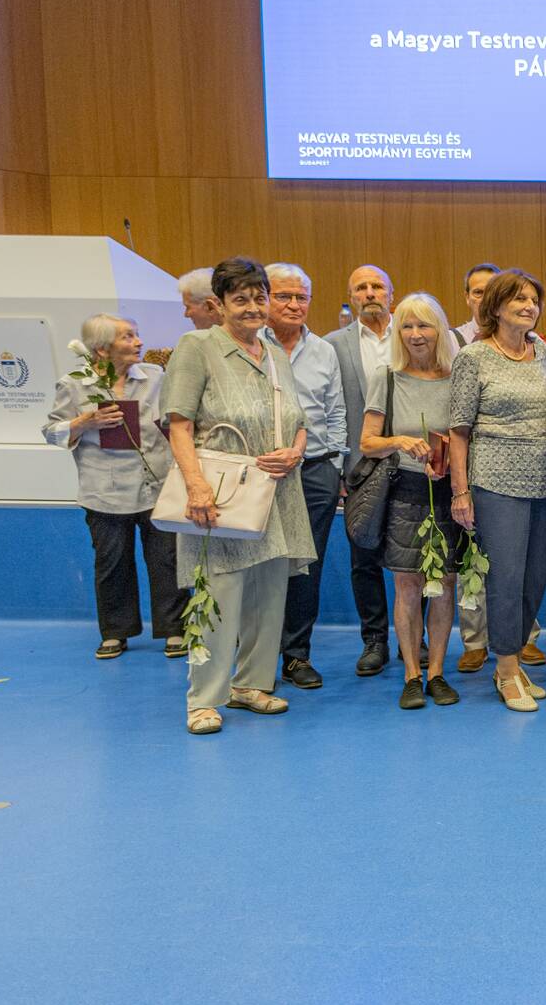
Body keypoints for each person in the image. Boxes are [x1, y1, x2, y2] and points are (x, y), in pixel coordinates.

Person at [162, 257, 317, 735]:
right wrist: (196, 484)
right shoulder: (198, 347)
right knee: (219, 593)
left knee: (269, 594)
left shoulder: (274, 354)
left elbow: (299, 423)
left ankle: (251, 684)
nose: (253, 307)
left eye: (259, 297)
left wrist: (294, 451)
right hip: (221, 491)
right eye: (241, 299)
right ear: (218, 304)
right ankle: (203, 700)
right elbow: (179, 423)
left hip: (276, 492)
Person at [449, 269, 546, 712]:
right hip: (495, 481)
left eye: (534, 300)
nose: (529, 307)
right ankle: (508, 668)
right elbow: (459, 430)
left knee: (534, 579)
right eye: (519, 300)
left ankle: (510, 660)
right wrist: (461, 491)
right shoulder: (473, 357)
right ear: (495, 307)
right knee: (506, 579)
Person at [44, 313, 183, 659]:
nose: (138, 342)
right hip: (103, 491)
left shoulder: (155, 377)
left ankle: (175, 629)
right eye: (129, 337)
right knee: (112, 562)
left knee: (167, 560)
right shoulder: (75, 384)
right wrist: (84, 421)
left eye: (137, 335)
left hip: (157, 486)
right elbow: (51, 433)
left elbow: (174, 422)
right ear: (102, 348)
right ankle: (116, 633)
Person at [360, 293, 465, 709]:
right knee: (407, 585)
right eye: (407, 326)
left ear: (439, 330)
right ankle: (411, 674)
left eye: (424, 326)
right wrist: (398, 441)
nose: (416, 335)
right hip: (403, 491)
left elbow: (463, 437)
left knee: (444, 585)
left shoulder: (457, 376)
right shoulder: (386, 377)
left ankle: (438, 672)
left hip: (448, 494)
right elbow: (367, 442)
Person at [259, 263, 347, 690]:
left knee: (304, 568)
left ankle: (296, 656)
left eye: (302, 297)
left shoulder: (324, 350)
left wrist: (335, 466)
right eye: (284, 296)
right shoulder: (250, 345)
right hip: (260, 471)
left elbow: (335, 413)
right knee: (259, 563)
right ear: (265, 298)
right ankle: (254, 660)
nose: (295, 305)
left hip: (314, 471)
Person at [324, 264, 397, 676]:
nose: (370, 293)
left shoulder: (412, 334)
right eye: (361, 288)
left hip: (410, 462)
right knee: (363, 557)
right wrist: (338, 466)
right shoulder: (333, 345)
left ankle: (415, 637)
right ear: (351, 297)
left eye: (377, 287)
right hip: (359, 465)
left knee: (414, 557)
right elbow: (333, 408)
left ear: (391, 293)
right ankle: (374, 639)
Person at [452, 263, 499, 348]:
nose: (486, 299)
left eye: (492, 292)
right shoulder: (452, 340)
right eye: (478, 292)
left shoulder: (519, 338)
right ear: (467, 298)